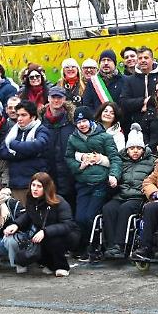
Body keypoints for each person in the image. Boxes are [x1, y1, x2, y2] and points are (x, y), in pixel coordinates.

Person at [66, 105, 123, 254]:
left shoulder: (105, 137)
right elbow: (68, 157)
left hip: (100, 183)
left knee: (91, 216)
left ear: (91, 121)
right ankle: (84, 247)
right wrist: (80, 165)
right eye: (78, 122)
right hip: (83, 183)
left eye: (84, 120)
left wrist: (114, 175)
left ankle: (97, 247)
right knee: (80, 217)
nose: (82, 125)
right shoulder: (73, 138)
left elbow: (115, 158)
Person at [101, 124, 156, 258]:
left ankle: (119, 246)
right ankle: (109, 245)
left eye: (138, 148)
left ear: (143, 149)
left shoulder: (152, 161)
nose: (135, 151)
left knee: (125, 209)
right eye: (132, 148)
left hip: (138, 197)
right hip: (121, 194)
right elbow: (116, 176)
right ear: (127, 149)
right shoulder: (122, 161)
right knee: (108, 208)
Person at [11, 172, 78, 276]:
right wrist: (16, 224)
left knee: (53, 240)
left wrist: (45, 231)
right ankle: (51, 265)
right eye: (33, 185)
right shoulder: (31, 200)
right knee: (36, 245)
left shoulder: (59, 201)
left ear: (46, 188)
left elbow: (68, 225)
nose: (35, 189)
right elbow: (29, 215)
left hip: (66, 236)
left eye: (39, 186)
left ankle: (62, 267)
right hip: (42, 234)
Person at [121, 46, 158, 121]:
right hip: (138, 123)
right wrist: (143, 101)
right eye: (140, 58)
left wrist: (149, 102)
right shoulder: (129, 80)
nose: (143, 60)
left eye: (146, 58)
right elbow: (124, 102)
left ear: (152, 60)